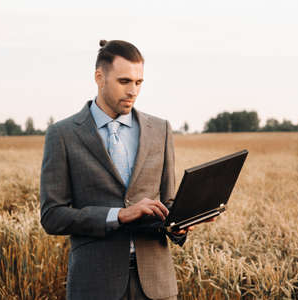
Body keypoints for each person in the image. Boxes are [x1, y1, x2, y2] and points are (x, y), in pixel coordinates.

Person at [40, 40, 205, 300]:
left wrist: (180, 224)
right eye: (124, 81)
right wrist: (118, 215)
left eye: (139, 83)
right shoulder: (62, 134)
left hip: (156, 287)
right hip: (94, 286)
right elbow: (52, 216)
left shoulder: (160, 129)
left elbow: (168, 201)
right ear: (99, 77)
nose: (133, 91)